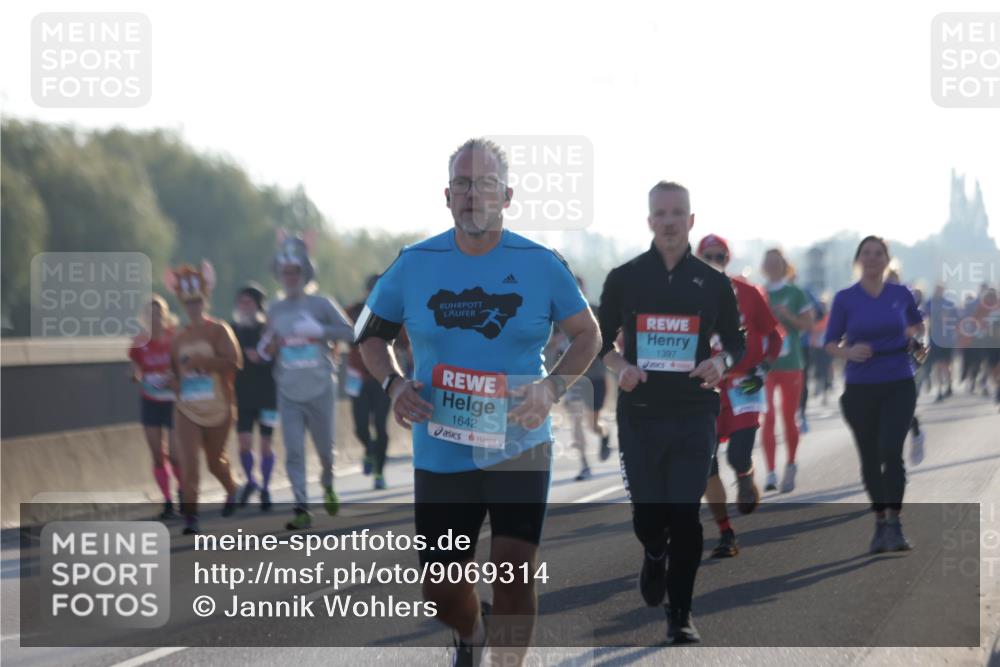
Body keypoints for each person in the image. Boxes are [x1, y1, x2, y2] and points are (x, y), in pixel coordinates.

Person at [356, 138, 599, 667]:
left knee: (514, 568)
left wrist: (551, 388)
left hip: (521, 438)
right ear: (447, 196)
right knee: (441, 589)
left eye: (485, 183)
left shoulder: (540, 264)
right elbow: (369, 336)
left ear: (506, 195)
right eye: (462, 184)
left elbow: (588, 335)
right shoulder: (413, 264)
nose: (473, 195)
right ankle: (471, 633)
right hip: (441, 445)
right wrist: (395, 386)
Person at [597, 182, 745, 644]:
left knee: (685, 515)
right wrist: (620, 366)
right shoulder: (624, 278)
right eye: (660, 213)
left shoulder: (713, 283)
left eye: (677, 213)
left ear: (691, 221)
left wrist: (719, 363)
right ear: (648, 221)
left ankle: (680, 614)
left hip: (693, 413)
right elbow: (598, 342)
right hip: (640, 413)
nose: (669, 221)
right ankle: (653, 552)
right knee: (648, 517)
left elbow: (737, 343)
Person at [824, 236, 923, 553]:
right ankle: (880, 521)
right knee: (869, 455)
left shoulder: (900, 294)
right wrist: (849, 352)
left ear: (887, 259)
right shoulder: (845, 298)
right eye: (866, 253)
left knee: (890, 449)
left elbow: (917, 327)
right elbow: (829, 342)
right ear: (858, 259)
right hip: (860, 385)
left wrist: (913, 340)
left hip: (898, 380)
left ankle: (895, 522)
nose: (871, 258)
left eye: (878, 253)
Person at [259, 231, 355, 531]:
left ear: (305, 272)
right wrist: (268, 347)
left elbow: (351, 333)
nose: (289, 277)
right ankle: (301, 507)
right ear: (279, 274)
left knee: (325, 450)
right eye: (284, 272)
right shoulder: (274, 309)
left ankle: (328, 482)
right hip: (288, 390)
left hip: (320, 388)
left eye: (294, 271)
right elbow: (267, 345)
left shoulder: (322, 304)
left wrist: (320, 331)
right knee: (294, 450)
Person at [696, 234, 781, 559]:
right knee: (707, 462)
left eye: (720, 255)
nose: (714, 260)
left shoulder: (748, 293)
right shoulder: (689, 296)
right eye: (708, 256)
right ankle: (725, 532)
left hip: (744, 382)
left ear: (727, 259)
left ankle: (745, 475)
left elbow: (773, 334)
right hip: (706, 386)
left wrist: (765, 367)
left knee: (737, 454)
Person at [164, 262, 243, 535]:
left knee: (214, 462)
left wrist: (204, 361)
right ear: (182, 305)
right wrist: (172, 381)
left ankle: (232, 488)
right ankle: (191, 516)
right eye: (188, 303)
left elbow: (234, 363)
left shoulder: (219, 330)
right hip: (187, 407)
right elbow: (174, 372)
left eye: (197, 301)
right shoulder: (178, 337)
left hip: (219, 406)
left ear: (205, 300)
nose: (193, 307)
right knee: (188, 463)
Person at [543, 276, 612, 482]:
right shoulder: (557, 317)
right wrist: (557, 341)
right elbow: (550, 347)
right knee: (575, 420)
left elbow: (608, 340)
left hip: (596, 376)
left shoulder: (595, 311)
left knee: (593, 425)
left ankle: (604, 433)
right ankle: (584, 465)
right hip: (571, 378)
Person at [761, 249, 815, 493]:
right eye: (769, 262)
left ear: (785, 266)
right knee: (767, 418)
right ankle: (771, 473)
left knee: (788, 418)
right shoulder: (759, 293)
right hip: (764, 367)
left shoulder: (795, 293)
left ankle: (791, 464)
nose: (773, 266)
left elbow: (809, 324)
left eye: (777, 262)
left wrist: (788, 316)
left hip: (792, 364)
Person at [129, 295, 181, 519]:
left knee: (177, 455)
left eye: (159, 312)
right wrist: (134, 375)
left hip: (173, 402)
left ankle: (184, 491)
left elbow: (185, 364)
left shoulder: (175, 338)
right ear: (144, 317)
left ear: (166, 314)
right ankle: (168, 501)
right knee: (157, 454)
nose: (155, 316)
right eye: (150, 313)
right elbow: (135, 369)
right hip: (150, 401)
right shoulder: (139, 342)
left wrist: (174, 376)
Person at [231, 283, 278, 510]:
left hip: (268, 395)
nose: (243, 307)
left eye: (248, 302)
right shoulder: (232, 330)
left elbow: (279, 355)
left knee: (266, 445)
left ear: (258, 306)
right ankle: (251, 481)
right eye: (240, 302)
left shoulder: (268, 330)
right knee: (244, 443)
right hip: (242, 396)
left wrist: (264, 357)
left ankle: (266, 488)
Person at [346, 274, 393, 490]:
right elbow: (338, 330)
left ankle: (379, 473)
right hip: (358, 378)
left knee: (381, 427)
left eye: (379, 287)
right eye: (371, 288)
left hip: (382, 379)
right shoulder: (353, 311)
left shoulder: (393, 311)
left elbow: (405, 342)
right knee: (360, 427)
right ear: (366, 291)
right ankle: (369, 450)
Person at [885, 270, 927, 466]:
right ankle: (894, 463)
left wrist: (914, 339)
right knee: (883, 415)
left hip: (905, 362)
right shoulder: (871, 300)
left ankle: (915, 432)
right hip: (878, 366)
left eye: (894, 282)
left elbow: (921, 328)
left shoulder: (905, 298)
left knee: (900, 412)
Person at [925, 284, 957, 402]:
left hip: (947, 339)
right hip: (934, 340)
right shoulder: (930, 302)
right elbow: (925, 317)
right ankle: (939, 391)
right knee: (937, 366)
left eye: (940, 289)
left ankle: (949, 385)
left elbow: (955, 319)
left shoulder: (948, 304)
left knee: (946, 365)